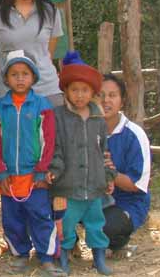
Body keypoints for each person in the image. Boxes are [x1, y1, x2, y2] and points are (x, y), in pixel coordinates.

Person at [0, 50, 65, 277]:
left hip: (34, 176)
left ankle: (46, 257)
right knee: (12, 218)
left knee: (41, 216)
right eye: (14, 74)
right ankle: (20, 254)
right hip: (9, 177)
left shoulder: (41, 105)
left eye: (25, 74)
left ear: (33, 77)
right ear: (6, 79)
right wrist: (0, 171)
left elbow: (48, 141)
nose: (20, 78)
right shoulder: (0, 107)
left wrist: (42, 171)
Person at [48, 51, 114, 276]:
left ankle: (99, 259)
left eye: (84, 90)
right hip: (67, 186)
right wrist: (54, 170)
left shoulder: (98, 119)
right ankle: (64, 259)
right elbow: (55, 147)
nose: (79, 95)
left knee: (96, 224)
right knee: (65, 225)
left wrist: (108, 176)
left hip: (94, 185)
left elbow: (104, 151)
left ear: (93, 92)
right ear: (66, 91)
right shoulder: (58, 116)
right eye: (74, 89)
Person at [100, 73, 151, 254]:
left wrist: (109, 172)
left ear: (122, 102)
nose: (106, 100)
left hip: (127, 202)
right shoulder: (86, 131)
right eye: (100, 95)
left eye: (112, 95)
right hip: (93, 199)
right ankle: (70, 246)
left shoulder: (134, 135)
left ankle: (118, 243)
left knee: (108, 227)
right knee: (55, 208)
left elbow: (136, 185)